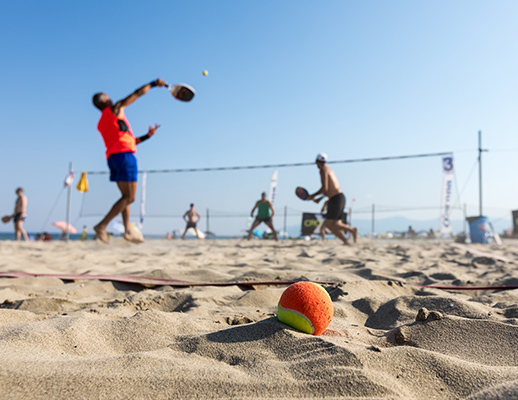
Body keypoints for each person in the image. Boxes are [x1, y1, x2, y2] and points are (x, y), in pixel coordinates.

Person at [91, 78, 167, 244]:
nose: (110, 97)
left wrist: (147, 136)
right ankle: (102, 226)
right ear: (104, 100)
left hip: (113, 158)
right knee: (130, 198)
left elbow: (128, 140)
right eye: (107, 96)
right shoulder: (115, 109)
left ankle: (127, 231)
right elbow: (137, 94)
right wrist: (154, 84)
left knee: (125, 197)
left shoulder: (103, 122)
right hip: (125, 157)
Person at [306, 153, 357, 245]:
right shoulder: (330, 170)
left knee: (329, 224)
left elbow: (324, 188)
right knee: (335, 224)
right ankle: (347, 242)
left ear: (317, 162)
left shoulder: (322, 170)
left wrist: (312, 196)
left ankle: (352, 230)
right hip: (340, 197)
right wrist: (319, 198)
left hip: (335, 199)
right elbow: (328, 190)